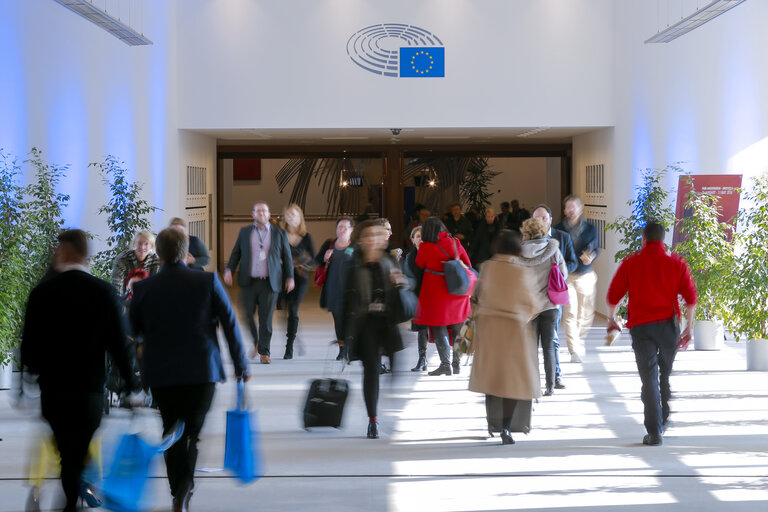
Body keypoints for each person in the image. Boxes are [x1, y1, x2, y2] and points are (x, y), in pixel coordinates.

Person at [130, 228, 250, 511]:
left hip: (162, 373)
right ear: (186, 253)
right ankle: (185, 490)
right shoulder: (207, 280)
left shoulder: (144, 288)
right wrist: (240, 364)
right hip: (201, 370)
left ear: (158, 254)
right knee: (191, 436)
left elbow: (133, 331)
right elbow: (230, 323)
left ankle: (177, 492)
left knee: (171, 430)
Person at [21, 229, 138, 512]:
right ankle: (72, 500)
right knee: (79, 453)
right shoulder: (104, 292)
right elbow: (119, 346)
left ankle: (70, 500)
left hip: (54, 390)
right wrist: (132, 387)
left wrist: (26, 383)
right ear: (86, 256)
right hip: (89, 390)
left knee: (66, 455)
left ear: (64, 252)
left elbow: (29, 346)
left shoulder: (41, 293)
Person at [606, 221, 697, 446]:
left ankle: (654, 431)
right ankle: (663, 416)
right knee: (664, 375)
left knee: (648, 378)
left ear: (643, 239)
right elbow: (691, 298)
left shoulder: (631, 263)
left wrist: (611, 318)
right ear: (663, 240)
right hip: (668, 326)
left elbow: (613, 295)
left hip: (641, 328)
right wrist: (689, 327)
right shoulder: (677, 263)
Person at [468, 230, 547, 445]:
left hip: (488, 329)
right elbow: (533, 303)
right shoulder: (522, 272)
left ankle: (491, 424)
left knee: (491, 378)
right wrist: (524, 316)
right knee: (512, 382)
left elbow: (476, 297)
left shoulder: (486, 267)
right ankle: (506, 428)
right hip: (514, 331)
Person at [341, 220, 409, 439]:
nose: (373, 240)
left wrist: (400, 283)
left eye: (377, 236)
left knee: (396, 367)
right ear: (362, 240)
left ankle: (389, 401)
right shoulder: (354, 263)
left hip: (387, 321)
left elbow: (405, 287)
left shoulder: (390, 261)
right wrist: (342, 334)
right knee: (371, 371)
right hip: (366, 324)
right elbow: (345, 299)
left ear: (383, 239)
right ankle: (373, 420)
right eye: (368, 236)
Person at [224, 201, 294, 364]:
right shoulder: (245, 232)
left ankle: (264, 352)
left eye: (264, 211)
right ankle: (256, 341)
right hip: (248, 281)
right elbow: (236, 253)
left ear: (269, 215)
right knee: (246, 314)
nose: (261, 213)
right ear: (253, 214)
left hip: (270, 283)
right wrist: (229, 270)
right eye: (258, 211)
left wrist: (290, 277)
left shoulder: (279, 233)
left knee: (266, 318)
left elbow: (287, 258)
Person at [414, 217, 472, 376]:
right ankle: (457, 363)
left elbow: (419, 264)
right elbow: (468, 263)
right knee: (458, 327)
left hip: (435, 293)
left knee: (439, 328)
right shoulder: (455, 242)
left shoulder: (425, 247)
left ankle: (445, 364)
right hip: (457, 291)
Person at [531, 204, 578, 388]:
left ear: (550, 219)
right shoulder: (525, 241)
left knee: (553, 341)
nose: (540, 221)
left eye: (543, 217)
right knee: (535, 342)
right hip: (533, 300)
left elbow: (572, 262)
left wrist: (558, 275)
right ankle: (536, 380)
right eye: (536, 218)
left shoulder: (562, 237)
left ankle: (556, 376)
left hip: (553, 296)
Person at [520, 217, 568, 396]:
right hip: (550, 304)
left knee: (530, 347)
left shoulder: (519, 253)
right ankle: (550, 386)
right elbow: (563, 273)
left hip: (529, 306)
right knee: (549, 345)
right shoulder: (553, 250)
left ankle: (533, 385)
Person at [554, 195, 600, 362]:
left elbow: (596, 248)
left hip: (587, 275)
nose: (571, 210)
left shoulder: (590, 228)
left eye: (574, 207)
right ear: (565, 210)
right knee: (570, 312)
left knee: (585, 313)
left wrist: (592, 255)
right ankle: (574, 350)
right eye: (568, 207)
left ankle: (578, 340)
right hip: (568, 276)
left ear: (580, 209)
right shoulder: (558, 229)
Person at [315, 216, 355, 360]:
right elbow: (317, 260)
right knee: (338, 320)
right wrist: (324, 257)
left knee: (350, 320)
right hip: (333, 288)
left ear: (352, 230)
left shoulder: (355, 246)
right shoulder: (329, 244)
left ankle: (350, 347)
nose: (342, 230)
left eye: (345, 227)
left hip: (351, 290)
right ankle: (342, 348)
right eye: (340, 227)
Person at [279, 203, 315, 359]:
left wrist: (300, 263)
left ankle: (289, 346)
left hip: (300, 278)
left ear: (300, 218)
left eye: (293, 215)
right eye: (288, 215)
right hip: (283, 277)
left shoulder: (306, 237)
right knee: (283, 311)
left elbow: (314, 260)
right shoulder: (280, 234)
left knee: (293, 310)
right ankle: (294, 336)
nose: (290, 218)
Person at [402, 225, 429, 371]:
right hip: (417, 296)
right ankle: (422, 359)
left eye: (423, 236)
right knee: (421, 329)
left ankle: (448, 361)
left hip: (431, 295)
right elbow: (408, 277)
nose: (421, 239)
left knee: (437, 329)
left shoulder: (431, 253)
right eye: (418, 236)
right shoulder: (410, 257)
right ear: (412, 240)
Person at [111, 230, 161, 295]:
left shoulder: (156, 260)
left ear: (151, 246)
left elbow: (156, 286)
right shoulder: (122, 259)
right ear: (134, 244)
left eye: (146, 244)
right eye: (139, 243)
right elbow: (116, 286)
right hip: (125, 300)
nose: (142, 247)